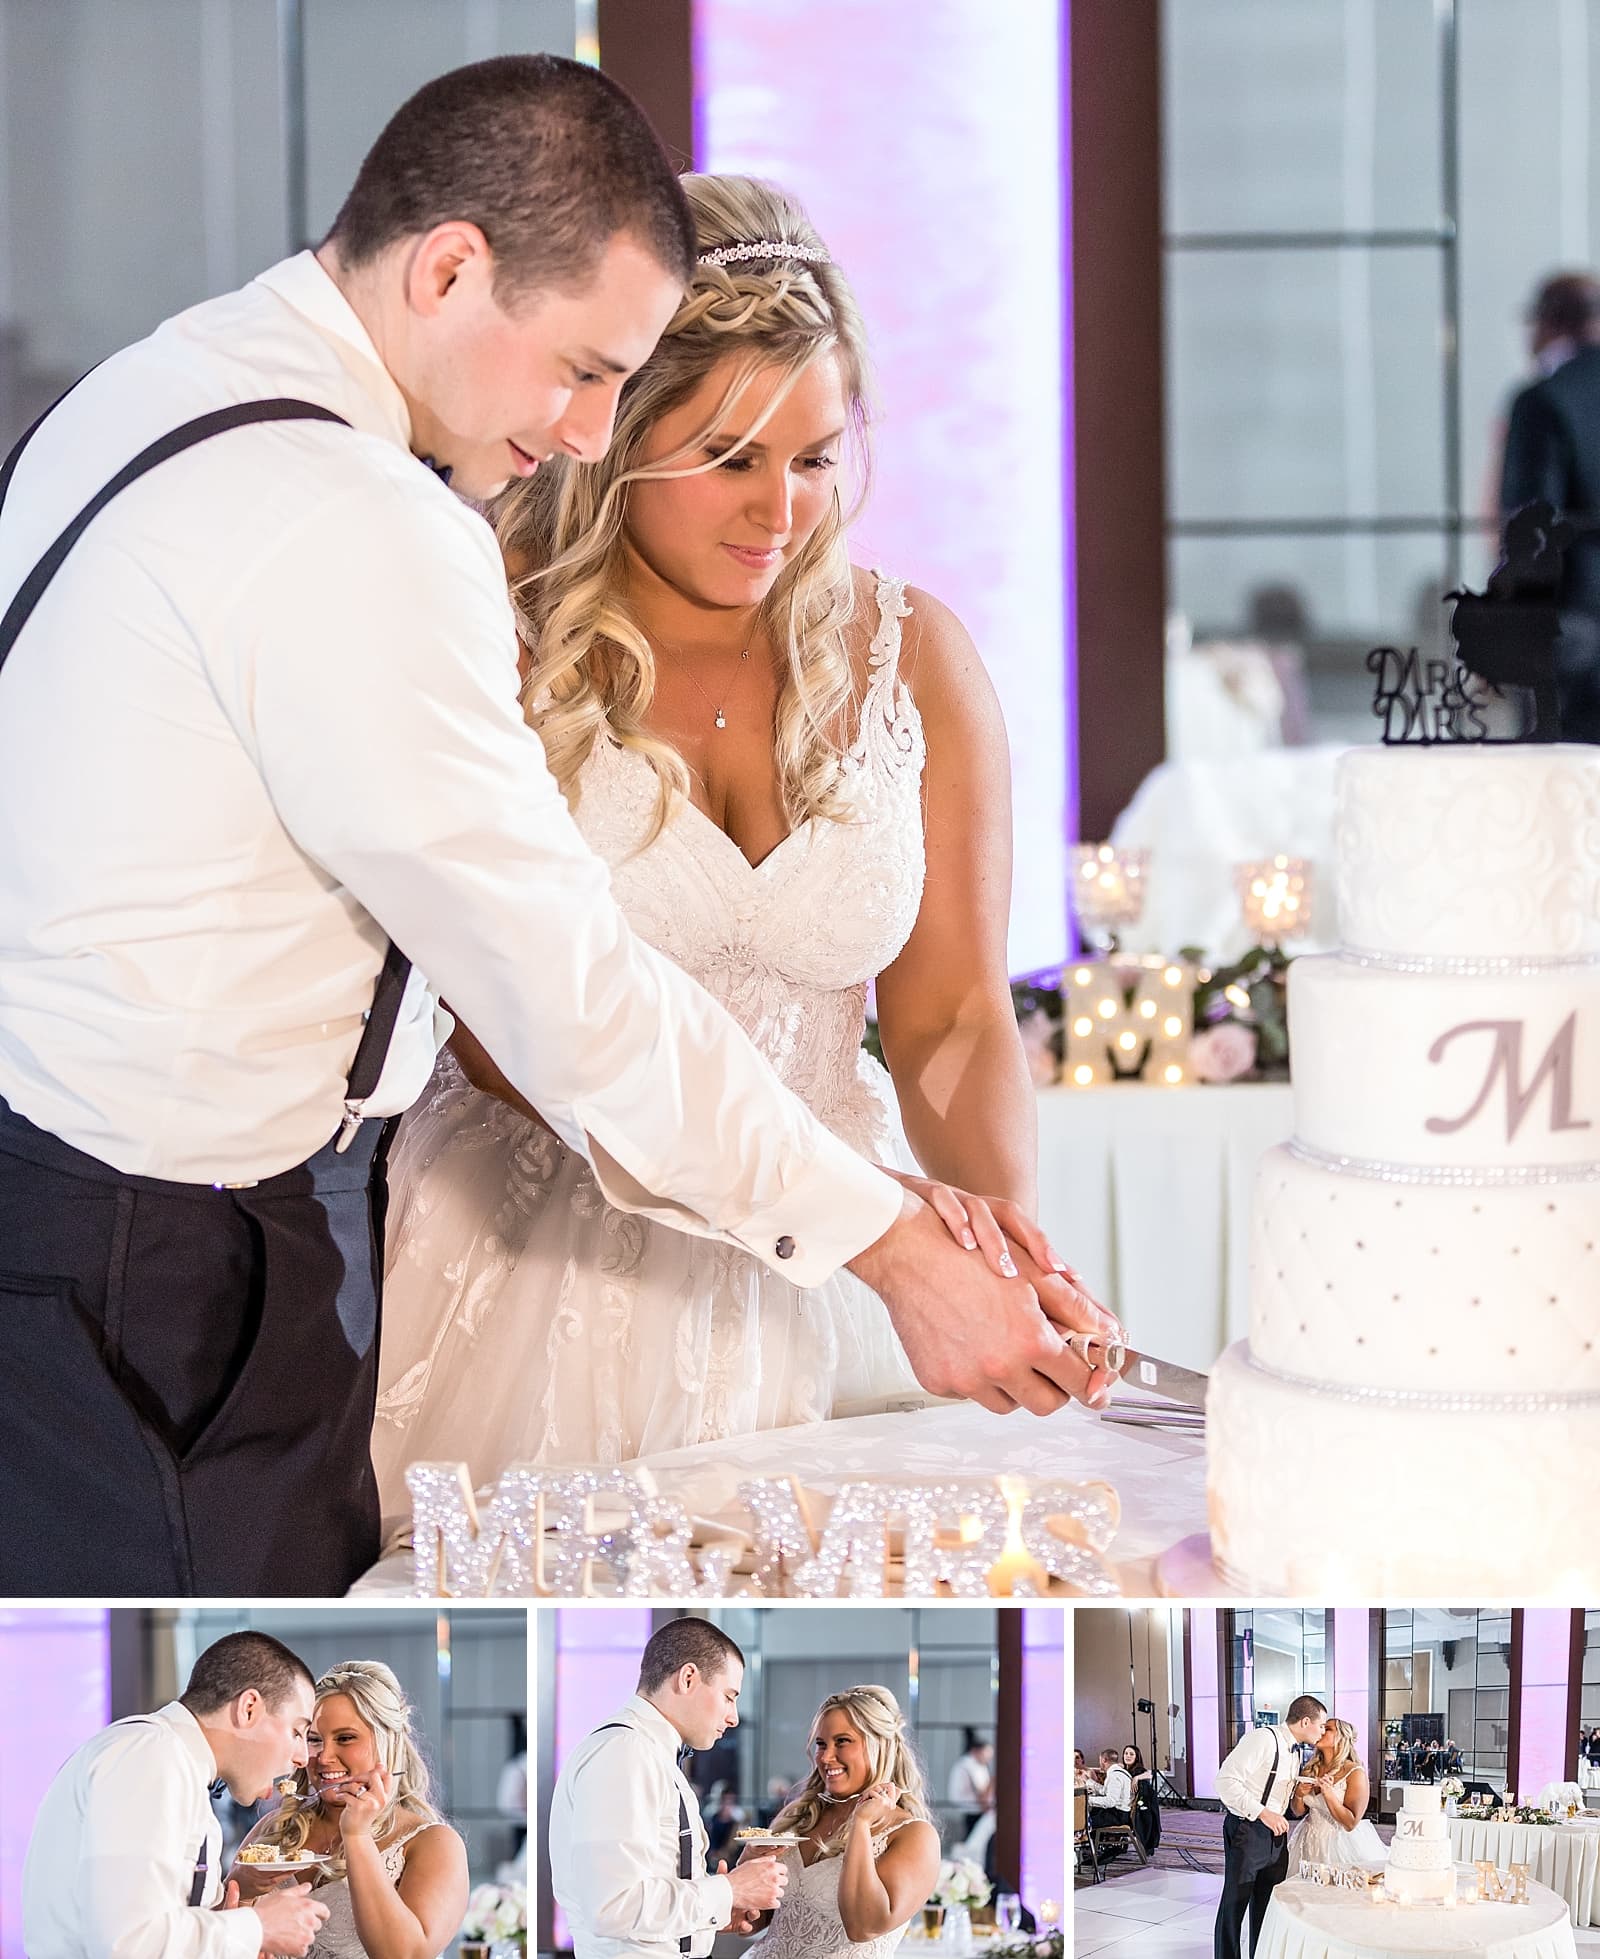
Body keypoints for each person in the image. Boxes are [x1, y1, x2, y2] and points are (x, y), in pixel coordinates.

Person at [0, 60, 1115, 1600]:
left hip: (97, 1200)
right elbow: (559, 1000)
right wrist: (905, 1251)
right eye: (588, 372)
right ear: (451, 266)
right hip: (184, 1249)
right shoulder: (368, 525)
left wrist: (963, 1233)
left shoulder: (151, 388)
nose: (586, 430)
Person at [369, 169, 1117, 1488]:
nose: (782, 512)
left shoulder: (914, 655)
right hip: (544, 1257)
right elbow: (506, 1036)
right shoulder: (491, 626)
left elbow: (948, 1017)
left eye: (816, 458)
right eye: (730, 458)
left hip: (837, 1283)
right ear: (618, 428)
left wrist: (994, 1253)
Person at [23, 1631, 329, 1959]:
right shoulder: (150, 1756)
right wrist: (258, 1926)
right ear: (249, 1708)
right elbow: (126, 1942)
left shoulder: (172, 1762)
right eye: (296, 1731)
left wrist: (232, 1930)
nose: (302, 1756)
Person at [549, 1618, 787, 1958]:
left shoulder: (648, 1753)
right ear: (688, 1678)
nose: (733, 1717)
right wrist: (729, 1889)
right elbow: (613, 1907)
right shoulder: (625, 1753)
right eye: (728, 1696)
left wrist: (714, 1912)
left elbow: (646, 1893)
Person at [231, 1661, 468, 1959]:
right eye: (314, 1739)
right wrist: (242, 1888)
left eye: (345, 1738)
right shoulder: (274, 1828)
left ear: (386, 1742)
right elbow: (213, 1938)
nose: (324, 1756)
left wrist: (356, 1835)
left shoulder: (433, 1844)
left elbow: (404, 1955)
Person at [742, 1684, 940, 1959]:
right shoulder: (799, 1817)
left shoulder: (914, 1835)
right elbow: (755, 1921)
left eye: (842, 1741)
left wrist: (860, 1825)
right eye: (821, 1744)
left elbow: (863, 1927)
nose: (825, 1757)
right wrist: (745, 1870)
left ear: (879, 1745)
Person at [1499, 271, 1600, 741]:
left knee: (1555, 784)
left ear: (1547, 324)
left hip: (1569, 625)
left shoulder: (1542, 401)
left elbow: (1532, 525)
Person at [1213, 1697, 1328, 1959]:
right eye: (1321, 1725)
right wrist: (1263, 1813)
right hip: (1248, 1829)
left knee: (1267, 1905)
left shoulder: (1296, 1750)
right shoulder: (1262, 1739)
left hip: (1276, 1835)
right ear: (1306, 1721)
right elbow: (1225, 1782)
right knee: (1234, 1904)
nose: (1322, 1731)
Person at [1286, 1720, 1385, 1872]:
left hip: (1340, 1842)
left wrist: (1329, 1794)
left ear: (1342, 1737)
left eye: (1327, 1728)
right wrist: (1299, 1795)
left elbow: (1350, 1823)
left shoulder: (1355, 1772)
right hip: (1308, 1840)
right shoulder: (1311, 1768)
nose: (1321, 1731)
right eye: (1321, 1727)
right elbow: (1298, 1811)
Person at [947, 1731, 995, 1841]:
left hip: (975, 1809)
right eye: (987, 1753)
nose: (989, 1757)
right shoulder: (968, 1765)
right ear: (976, 1751)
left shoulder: (978, 1765)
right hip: (972, 1810)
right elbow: (981, 1793)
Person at [1086, 1750, 1133, 1860]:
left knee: (1084, 1821)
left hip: (1118, 1815)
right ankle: (1096, 1848)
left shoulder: (1115, 1776)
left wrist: (1088, 1800)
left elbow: (1110, 1801)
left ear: (1104, 1760)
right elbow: (1106, 1791)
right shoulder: (1120, 1772)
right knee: (1091, 1814)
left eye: (1100, 1761)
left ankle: (1087, 1852)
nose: (1100, 1764)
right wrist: (1091, 1783)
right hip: (1120, 1813)